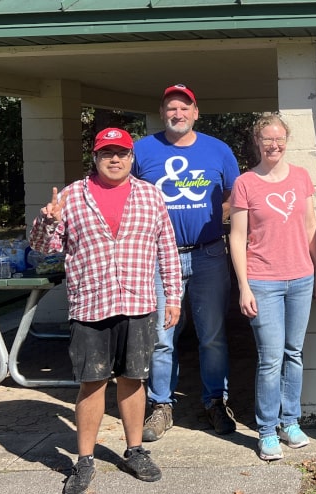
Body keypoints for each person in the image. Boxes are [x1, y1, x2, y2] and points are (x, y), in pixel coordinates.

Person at [30, 127, 183, 494]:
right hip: (90, 305)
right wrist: (47, 220)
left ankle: (135, 451)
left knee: (133, 379)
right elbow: (43, 249)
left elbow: (168, 249)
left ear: (132, 158)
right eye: (106, 153)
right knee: (92, 383)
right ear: (95, 159)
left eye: (122, 153)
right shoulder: (71, 197)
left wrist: (174, 297)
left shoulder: (150, 195)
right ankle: (84, 460)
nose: (115, 160)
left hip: (138, 303)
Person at [132, 84, 241, 440]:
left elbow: (233, 195)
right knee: (163, 338)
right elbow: (124, 190)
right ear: (162, 114)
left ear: (196, 112)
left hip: (209, 253)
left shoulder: (218, 150)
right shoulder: (142, 150)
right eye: (170, 109)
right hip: (160, 258)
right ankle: (161, 405)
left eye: (184, 108)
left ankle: (214, 401)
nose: (177, 114)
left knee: (212, 335)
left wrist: (216, 217)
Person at [228, 113, 316, 461]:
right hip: (262, 281)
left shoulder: (300, 177)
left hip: (300, 277)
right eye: (267, 139)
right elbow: (237, 238)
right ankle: (267, 430)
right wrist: (243, 286)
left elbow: (310, 225)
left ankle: (290, 422)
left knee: (294, 354)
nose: (274, 144)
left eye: (279, 138)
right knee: (270, 359)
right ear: (257, 142)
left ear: (286, 141)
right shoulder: (245, 183)